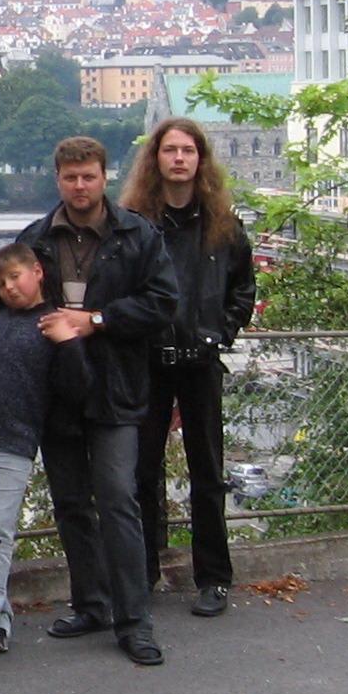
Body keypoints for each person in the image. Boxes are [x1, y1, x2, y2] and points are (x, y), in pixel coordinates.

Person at [0, 135, 180, 666]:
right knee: (71, 503)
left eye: (88, 177)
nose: (79, 186)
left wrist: (96, 320)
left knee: (117, 499)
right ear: (58, 179)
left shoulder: (137, 234)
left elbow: (162, 302)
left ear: (104, 177)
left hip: (116, 386)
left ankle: (134, 620)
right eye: (70, 178)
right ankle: (92, 604)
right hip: (57, 391)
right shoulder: (35, 238)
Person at [121, 116, 257, 617]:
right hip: (149, 362)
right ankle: (142, 574)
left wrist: (220, 332)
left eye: (188, 151)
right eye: (170, 150)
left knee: (208, 473)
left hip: (201, 363)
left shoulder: (222, 225)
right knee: (142, 473)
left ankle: (214, 578)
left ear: (200, 160)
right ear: (155, 159)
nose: (179, 159)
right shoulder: (135, 224)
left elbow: (243, 288)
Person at [0, 244, 88, 664]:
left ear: (37, 272)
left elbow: (79, 387)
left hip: (12, 442)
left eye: (15, 277)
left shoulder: (51, 323)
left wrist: (69, 344)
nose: (9, 287)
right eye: (1, 282)